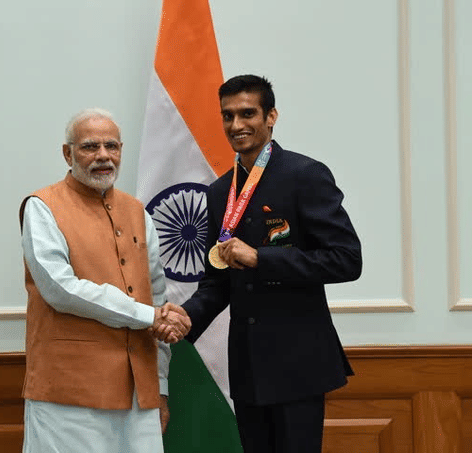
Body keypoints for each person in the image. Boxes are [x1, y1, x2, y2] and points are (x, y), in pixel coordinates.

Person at [180, 75, 362, 452]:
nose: (236, 125)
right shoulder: (219, 192)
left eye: (247, 113)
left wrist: (261, 258)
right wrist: (184, 318)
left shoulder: (305, 175)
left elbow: (347, 260)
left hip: (299, 364)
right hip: (247, 367)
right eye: (227, 115)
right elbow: (216, 283)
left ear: (271, 117)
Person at [19, 108, 191, 452]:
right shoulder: (42, 207)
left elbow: (156, 295)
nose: (103, 156)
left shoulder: (137, 212)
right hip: (68, 394)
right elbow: (60, 289)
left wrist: (159, 386)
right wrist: (148, 316)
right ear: (68, 154)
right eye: (89, 146)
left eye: (111, 146)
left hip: (139, 393)